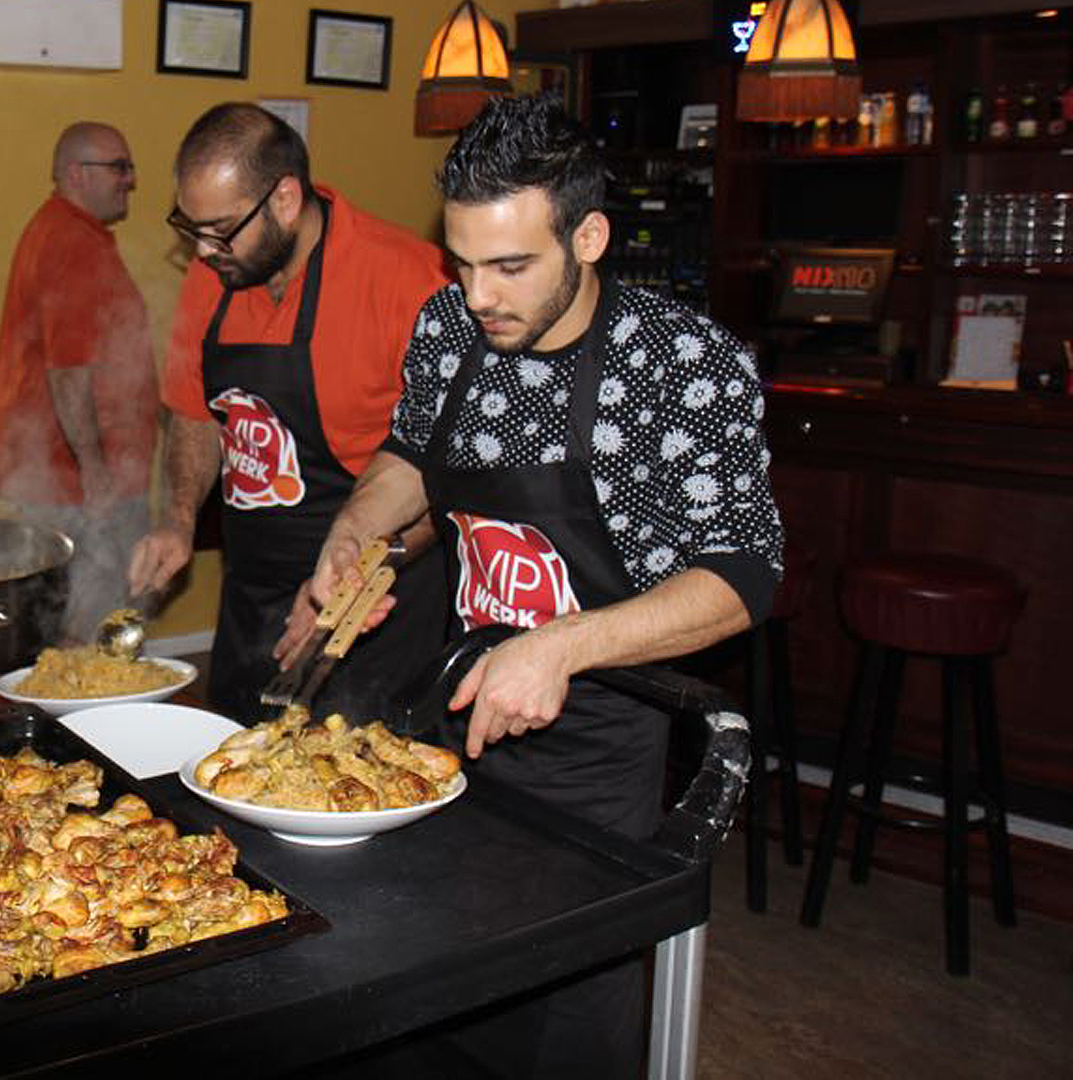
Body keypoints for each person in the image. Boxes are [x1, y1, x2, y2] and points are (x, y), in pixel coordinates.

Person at [291, 93, 784, 1076]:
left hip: (598, 760)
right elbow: (410, 459)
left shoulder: (682, 368)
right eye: (463, 263)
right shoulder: (449, 325)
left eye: (511, 266)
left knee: (564, 1019)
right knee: (423, 995)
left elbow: (740, 579)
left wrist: (563, 641)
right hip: (451, 731)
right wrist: (356, 529)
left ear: (590, 237)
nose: (479, 296)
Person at [126, 103, 450, 720]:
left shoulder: (409, 283)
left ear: (283, 199)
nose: (199, 252)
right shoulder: (216, 271)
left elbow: (445, 480)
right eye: (188, 228)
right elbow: (196, 411)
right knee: (225, 771)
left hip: (376, 601)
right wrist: (178, 519)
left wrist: (351, 587)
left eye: (219, 230)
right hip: (252, 592)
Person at [0, 122, 158, 643]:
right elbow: (69, 372)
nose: (130, 179)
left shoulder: (56, 229)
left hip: (54, 476)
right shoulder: (75, 244)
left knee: (56, 625)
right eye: (119, 167)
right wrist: (98, 475)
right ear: (77, 173)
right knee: (101, 629)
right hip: (78, 482)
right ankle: (93, 721)